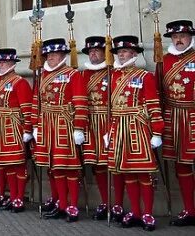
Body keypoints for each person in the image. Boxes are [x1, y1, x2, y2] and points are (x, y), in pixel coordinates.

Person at [105, 36, 164, 231]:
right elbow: (108, 108)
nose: (121, 55)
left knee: (143, 173)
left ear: (134, 54)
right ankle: (136, 212)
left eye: (125, 52)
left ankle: (147, 212)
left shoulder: (145, 76)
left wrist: (157, 131)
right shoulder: (112, 76)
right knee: (127, 172)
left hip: (138, 128)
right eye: (119, 52)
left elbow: (154, 105)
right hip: (118, 128)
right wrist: (108, 132)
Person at [33, 38, 88, 222]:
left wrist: (79, 127)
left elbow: (81, 102)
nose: (50, 59)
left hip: (65, 124)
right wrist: (35, 125)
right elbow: (37, 102)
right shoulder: (42, 76)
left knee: (69, 167)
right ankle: (61, 204)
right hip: (47, 124)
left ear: (63, 56)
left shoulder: (73, 75)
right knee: (53, 167)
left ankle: (72, 206)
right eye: (48, 55)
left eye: (54, 55)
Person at [0, 48, 33, 212]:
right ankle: (12, 196)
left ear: (12, 64)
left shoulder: (20, 82)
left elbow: (27, 108)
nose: (1, 65)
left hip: (13, 127)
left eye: (4, 62)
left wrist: (28, 129)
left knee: (17, 164)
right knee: (5, 165)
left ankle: (19, 198)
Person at [160, 20, 195, 227]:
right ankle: (189, 210)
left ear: (190, 37)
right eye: (174, 37)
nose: (179, 40)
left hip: (193, 114)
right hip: (173, 117)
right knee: (181, 165)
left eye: (182, 36)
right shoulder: (163, 62)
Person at [79, 36, 111, 220]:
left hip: (108, 123)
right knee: (97, 165)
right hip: (90, 123)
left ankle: (116, 204)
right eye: (90, 51)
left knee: (112, 165)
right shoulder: (83, 75)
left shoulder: (112, 72)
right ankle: (105, 202)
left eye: (97, 51)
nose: (93, 54)